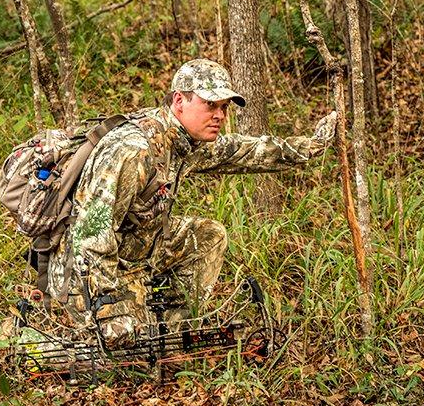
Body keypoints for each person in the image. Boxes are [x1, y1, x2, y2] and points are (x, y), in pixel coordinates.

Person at [44, 58, 336, 343]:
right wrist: (108, 310)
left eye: (224, 107)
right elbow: (89, 234)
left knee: (208, 237)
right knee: (125, 349)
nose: (220, 115)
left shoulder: (185, 140)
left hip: (136, 251)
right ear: (179, 101)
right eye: (210, 105)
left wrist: (313, 146)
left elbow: (244, 151)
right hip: (82, 274)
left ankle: (170, 325)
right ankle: (114, 323)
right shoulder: (134, 151)